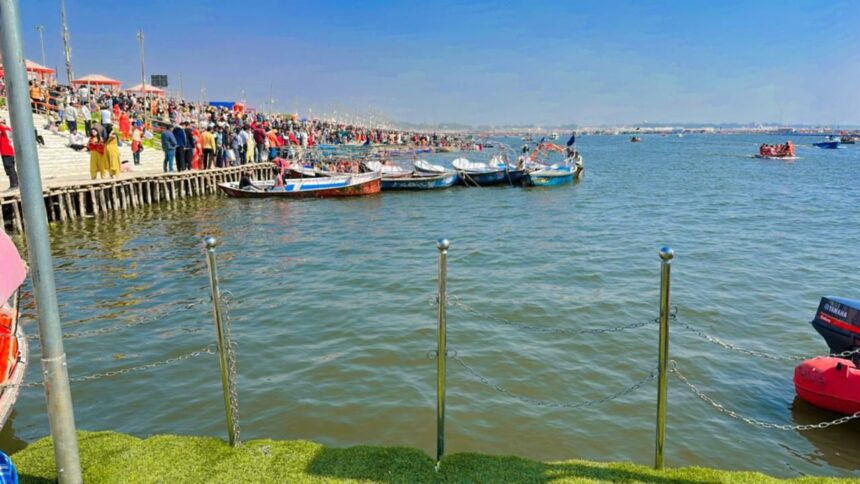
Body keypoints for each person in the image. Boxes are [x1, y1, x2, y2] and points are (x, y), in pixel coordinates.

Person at [0, 119, 18, 190]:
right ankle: (15, 183)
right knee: (10, 169)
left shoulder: (5, 130)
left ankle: (14, 184)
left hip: (7, 152)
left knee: (10, 168)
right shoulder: (7, 130)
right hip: (7, 152)